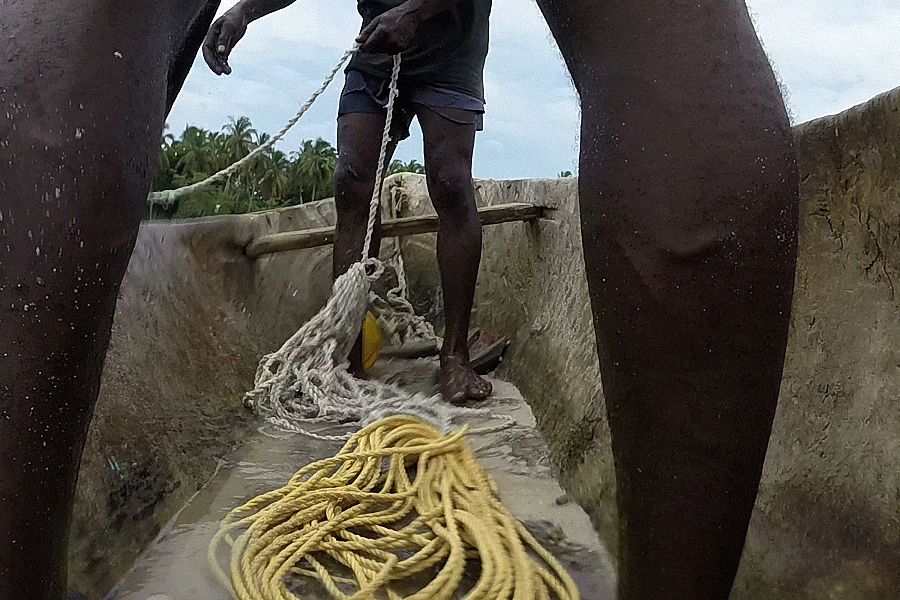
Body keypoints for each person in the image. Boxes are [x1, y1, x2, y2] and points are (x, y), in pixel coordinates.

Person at [204, 0, 494, 403]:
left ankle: (455, 356)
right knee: (353, 182)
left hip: (452, 58)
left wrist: (413, 12)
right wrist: (244, 12)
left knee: (450, 184)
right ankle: (346, 356)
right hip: (377, 52)